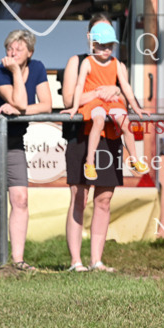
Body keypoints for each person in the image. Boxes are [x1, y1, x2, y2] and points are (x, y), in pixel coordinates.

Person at [0, 29, 51, 270]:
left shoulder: (38, 68)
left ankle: (18, 260)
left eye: (19, 49)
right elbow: (22, 102)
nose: (13, 52)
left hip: (14, 140)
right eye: (9, 48)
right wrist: (15, 72)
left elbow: (45, 104)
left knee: (20, 197)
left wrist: (22, 110)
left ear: (30, 52)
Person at [61, 15, 124, 272]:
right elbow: (68, 100)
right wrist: (99, 93)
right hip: (81, 134)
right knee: (79, 196)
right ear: (90, 37)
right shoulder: (77, 61)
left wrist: (118, 92)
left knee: (105, 198)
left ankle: (96, 260)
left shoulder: (116, 63)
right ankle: (76, 261)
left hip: (109, 135)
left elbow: (124, 100)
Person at [62, 21, 149, 181]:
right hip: (94, 103)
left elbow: (126, 87)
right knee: (99, 120)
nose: (106, 50)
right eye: (102, 46)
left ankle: (134, 158)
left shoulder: (116, 63)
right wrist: (75, 107)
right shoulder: (87, 62)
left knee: (125, 123)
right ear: (93, 44)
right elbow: (80, 85)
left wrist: (136, 108)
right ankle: (90, 162)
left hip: (112, 102)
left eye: (109, 46)